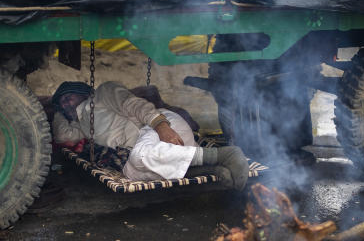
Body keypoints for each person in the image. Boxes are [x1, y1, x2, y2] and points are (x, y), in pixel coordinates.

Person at [51, 80, 249, 189]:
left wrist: (161, 126)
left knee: (140, 157)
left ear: (83, 93)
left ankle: (225, 154)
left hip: (160, 128)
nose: (66, 104)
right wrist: (58, 112)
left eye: (69, 97)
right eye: (62, 103)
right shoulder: (82, 125)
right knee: (130, 172)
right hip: (159, 149)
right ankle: (210, 168)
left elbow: (136, 105)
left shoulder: (103, 93)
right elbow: (61, 136)